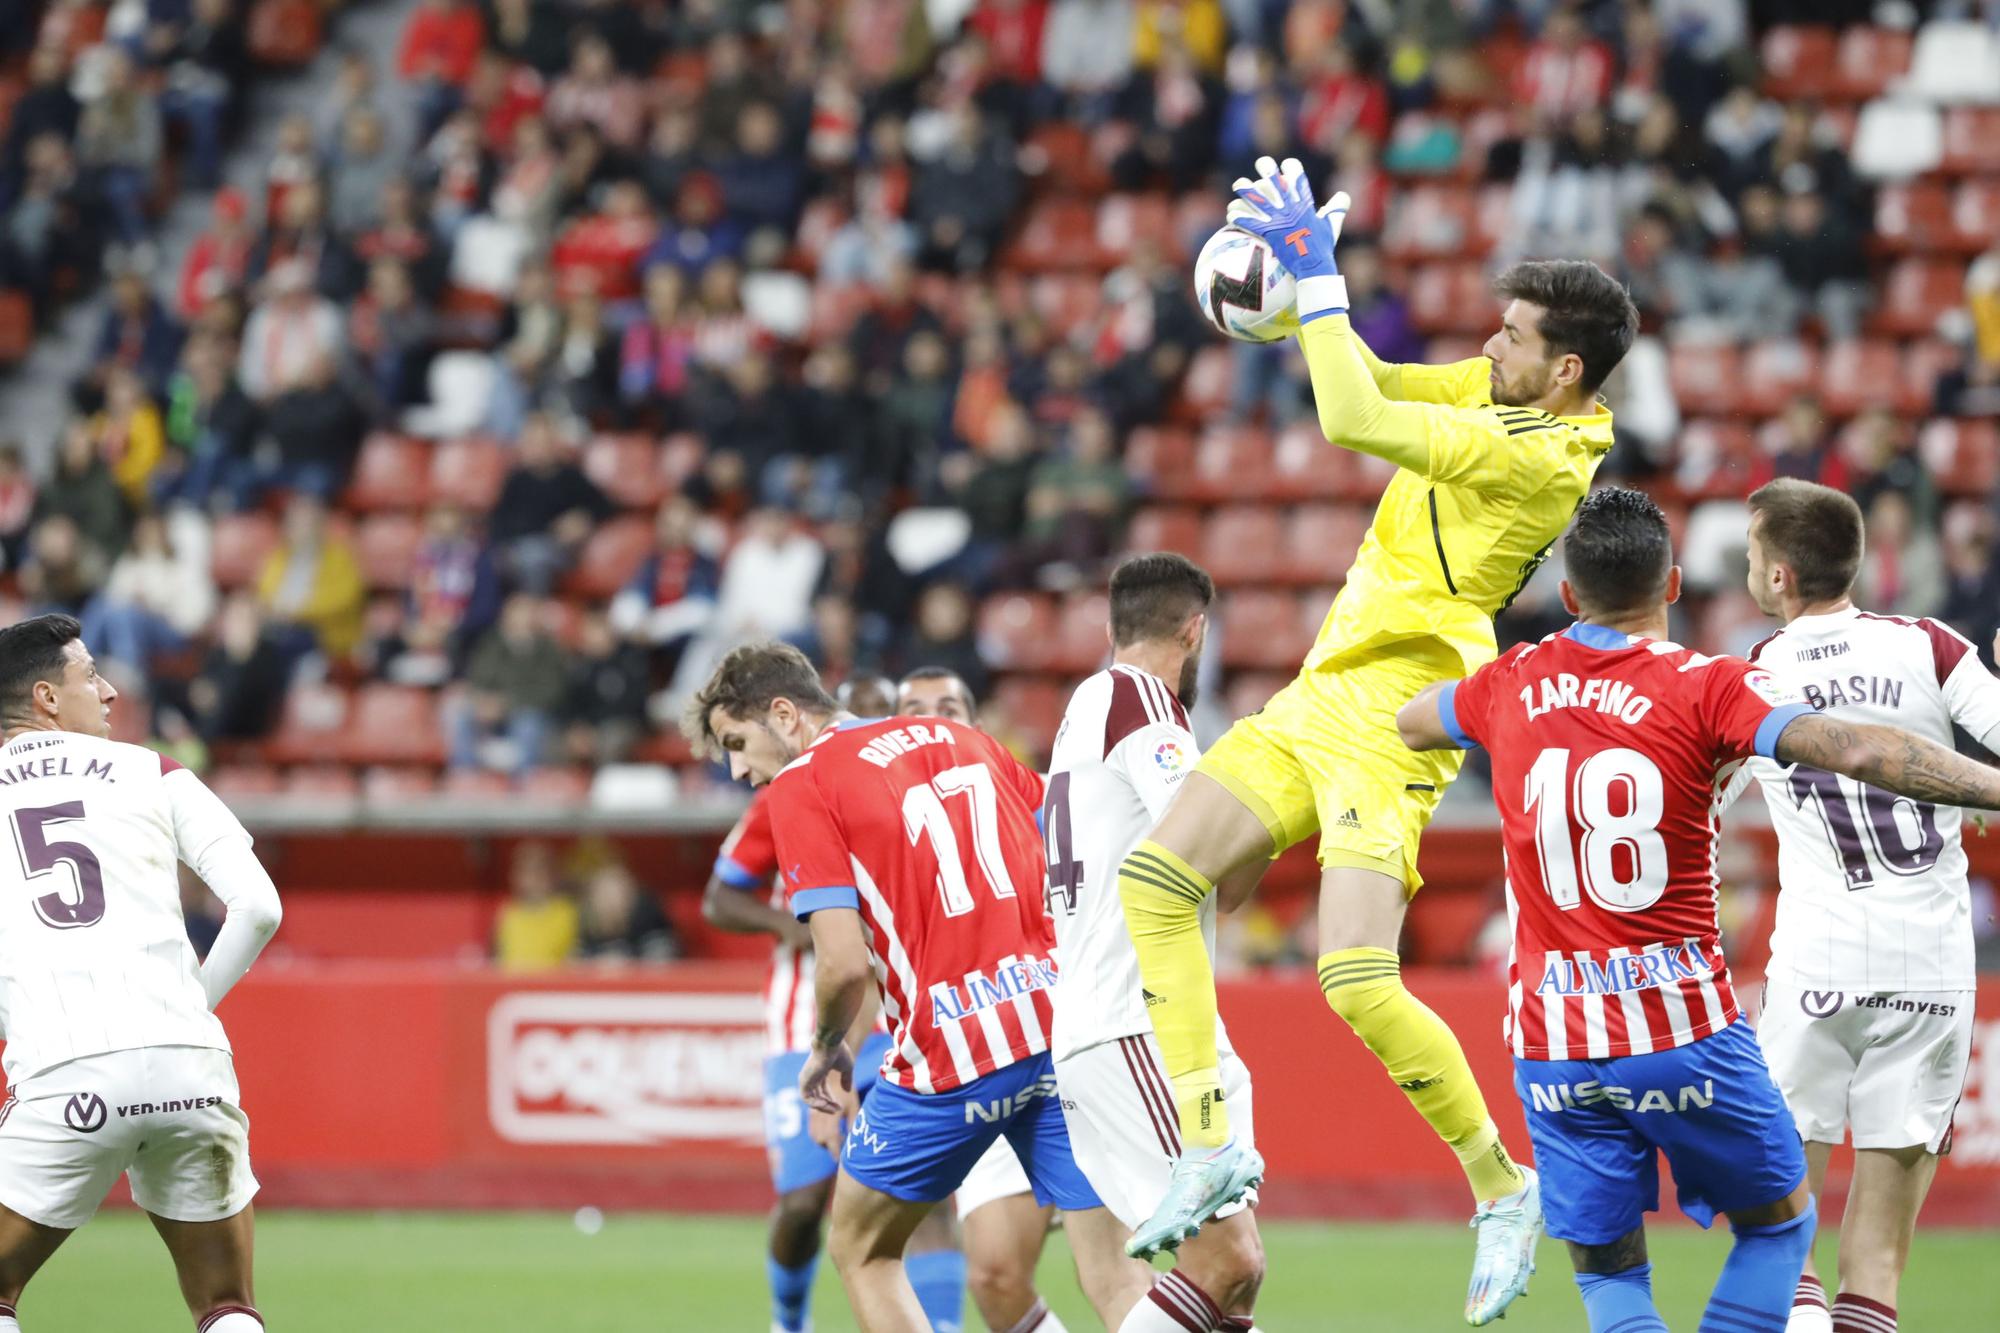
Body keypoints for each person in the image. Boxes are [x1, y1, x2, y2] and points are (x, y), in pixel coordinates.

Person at [1116, 154, 1637, 1324]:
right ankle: (1209, 1145)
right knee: (1152, 881)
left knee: (1350, 977)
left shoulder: (1535, 452)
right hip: (1323, 684)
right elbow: (1379, 373)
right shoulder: (1503, 393)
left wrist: (1315, 286)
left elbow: (1351, 413)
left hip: (1396, 711)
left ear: (1562, 369)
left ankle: (1501, 1187)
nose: (1485, 346)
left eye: (1507, 336)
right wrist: (1304, 303)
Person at [1395, 487, 2000, 1333]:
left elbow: (1414, 720)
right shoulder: (1716, 686)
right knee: (1786, 1222)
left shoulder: (1512, 680)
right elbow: (1859, 746)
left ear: (1568, 596)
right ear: (1672, 583)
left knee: (1612, 1279)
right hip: (1685, 1025)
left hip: (1554, 1043)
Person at [684, 644, 1140, 1332]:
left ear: (784, 713)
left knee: (861, 1244)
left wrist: (826, 1052)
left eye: (737, 743)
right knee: (1113, 1269)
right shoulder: (965, 736)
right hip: (1056, 1031)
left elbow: (841, 964)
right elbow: (1076, 841)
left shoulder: (805, 782)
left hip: (954, 1050)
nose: (738, 768)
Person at [1724, 480, 2000, 1333]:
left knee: (1779, 1233)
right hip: (1934, 973)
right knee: (1877, 1255)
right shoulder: (1931, 645)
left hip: (1819, 966)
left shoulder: (1753, 677)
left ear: (1777, 578)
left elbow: (1692, 812)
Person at [0, 614, 281, 1333]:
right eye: (89, 673)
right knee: (226, 1305)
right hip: (191, 1064)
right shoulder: (152, 768)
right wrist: (194, 1008)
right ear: (47, 697)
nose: (111, 690)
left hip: (67, 1071)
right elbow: (258, 906)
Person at [699, 671, 968, 1333]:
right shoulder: (787, 790)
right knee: (806, 1197)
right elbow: (720, 897)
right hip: (811, 1016)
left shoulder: (921, 783)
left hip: (907, 1018)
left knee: (930, 1198)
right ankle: (789, 1320)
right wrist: (797, 927)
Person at [1045, 554, 1267, 1333]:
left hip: (1118, 1019)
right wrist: (1282, 790)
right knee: (1228, 1261)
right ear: (1195, 630)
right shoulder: (1143, 705)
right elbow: (1209, 859)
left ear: (1111, 628)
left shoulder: (1088, 707)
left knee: (1232, 1283)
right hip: (1132, 1018)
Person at [895, 667, 1098, 1333]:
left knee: (1122, 1266)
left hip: (1063, 1051)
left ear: (976, 725)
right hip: (969, 1063)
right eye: (914, 710)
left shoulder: (1031, 799)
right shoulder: (875, 827)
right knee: (995, 1275)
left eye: (947, 707)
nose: (931, 719)